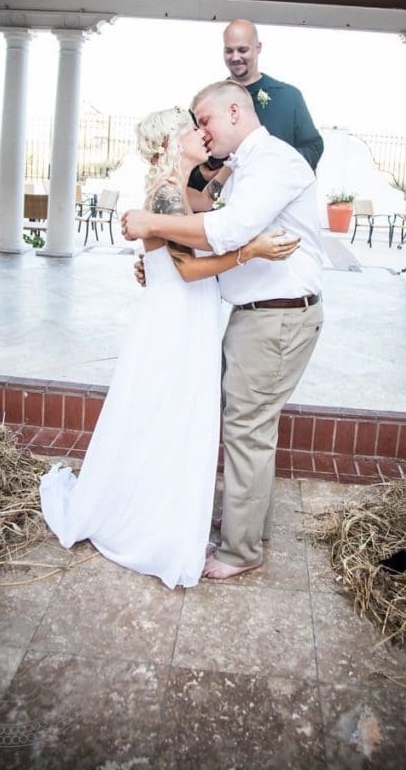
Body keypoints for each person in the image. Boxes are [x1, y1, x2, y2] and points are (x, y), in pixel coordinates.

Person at [39, 106, 298, 590]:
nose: (201, 133)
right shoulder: (164, 195)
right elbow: (189, 269)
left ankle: (165, 509)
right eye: (190, 128)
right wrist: (253, 251)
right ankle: (150, 522)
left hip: (185, 314)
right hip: (173, 319)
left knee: (171, 415)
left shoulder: (185, 193)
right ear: (168, 144)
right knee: (166, 414)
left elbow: (214, 207)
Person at [122, 81, 325, 581]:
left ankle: (240, 549)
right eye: (193, 126)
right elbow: (199, 238)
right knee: (247, 427)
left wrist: (149, 224)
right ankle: (246, 523)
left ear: (234, 111)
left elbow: (229, 231)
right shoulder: (244, 167)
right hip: (255, 312)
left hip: (276, 314)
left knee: (246, 430)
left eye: (204, 120)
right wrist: (160, 259)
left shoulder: (273, 161)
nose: (202, 132)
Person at [187, 19, 324, 191]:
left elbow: (313, 147)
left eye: (242, 50)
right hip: (223, 200)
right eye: (229, 51)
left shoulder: (289, 96)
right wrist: (204, 175)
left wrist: (278, 165)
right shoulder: (209, 103)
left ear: (258, 48)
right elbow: (189, 158)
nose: (235, 57)